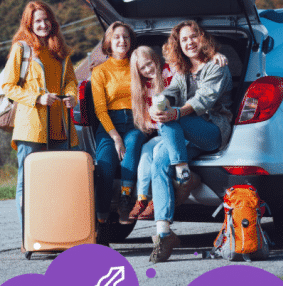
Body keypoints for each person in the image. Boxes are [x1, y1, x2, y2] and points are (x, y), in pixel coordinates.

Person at [147, 21, 233, 263]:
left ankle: (183, 173)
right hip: (186, 137)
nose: (190, 42)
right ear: (179, 46)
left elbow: (203, 102)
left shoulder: (217, 66)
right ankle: (164, 233)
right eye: (184, 40)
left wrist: (172, 112)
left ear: (202, 38)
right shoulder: (182, 71)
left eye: (193, 36)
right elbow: (172, 90)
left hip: (213, 130)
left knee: (171, 117)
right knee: (158, 161)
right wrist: (159, 103)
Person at [0, 1, 78, 246]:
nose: (43, 25)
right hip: (32, 128)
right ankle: (30, 237)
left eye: (46, 20)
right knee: (29, 184)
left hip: (60, 127)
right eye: (37, 21)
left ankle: (56, 237)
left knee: (59, 185)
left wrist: (71, 95)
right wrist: (37, 98)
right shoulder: (21, 49)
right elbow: (8, 86)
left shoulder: (60, 50)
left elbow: (70, 82)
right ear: (29, 24)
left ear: (52, 21)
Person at [91, 22, 146, 231]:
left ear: (131, 42)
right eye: (117, 38)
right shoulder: (100, 72)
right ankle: (101, 222)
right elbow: (100, 110)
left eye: (126, 37)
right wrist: (115, 137)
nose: (122, 41)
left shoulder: (138, 66)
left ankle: (125, 201)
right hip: (109, 125)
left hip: (135, 120)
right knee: (105, 167)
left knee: (132, 143)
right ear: (109, 43)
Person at [126, 46, 173, 221]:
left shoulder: (168, 73)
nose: (148, 70)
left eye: (149, 64)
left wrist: (215, 57)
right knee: (145, 152)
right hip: (160, 132)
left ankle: (156, 199)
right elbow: (148, 121)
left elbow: (181, 64)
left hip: (173, 130)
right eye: (143, 69)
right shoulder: (143, 87)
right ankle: (141, 198)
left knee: (154, 152)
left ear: (156, 60)